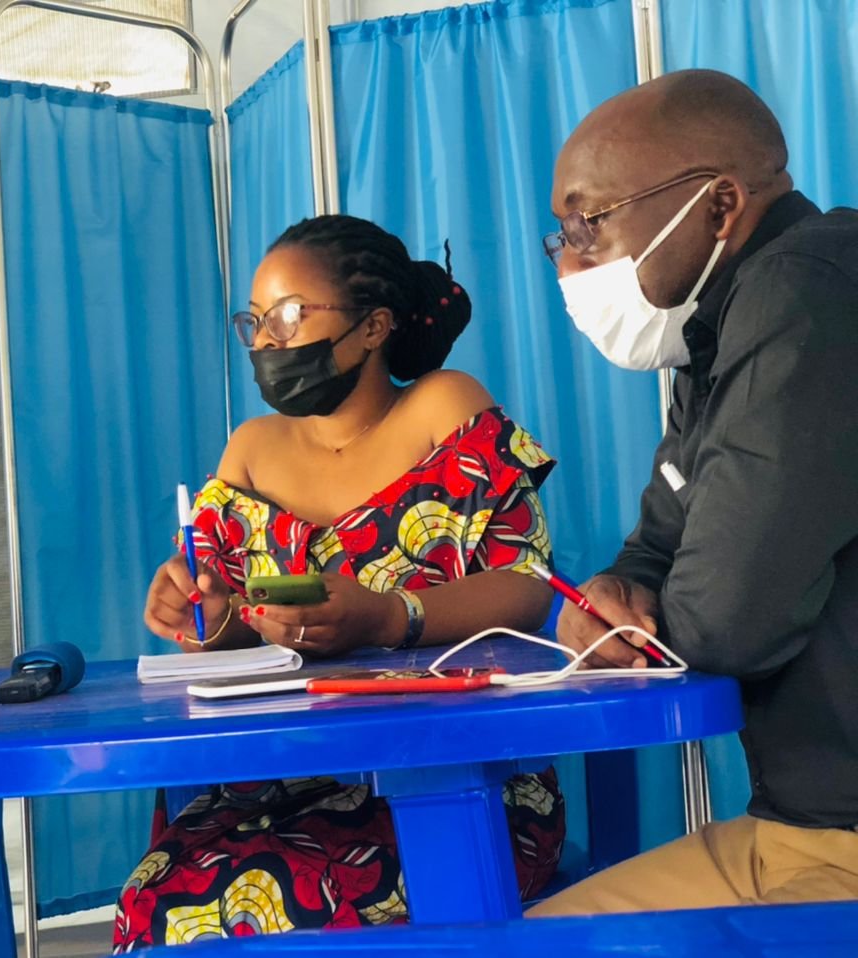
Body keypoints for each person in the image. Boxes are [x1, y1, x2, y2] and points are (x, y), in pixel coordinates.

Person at [113, 215, 565, 950]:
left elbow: (526, 584)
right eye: (254, 322)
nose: (267, 341)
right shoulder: (250, 450)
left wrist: (390, 617)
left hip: (454, 779)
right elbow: (224, 625)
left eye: (289, 316)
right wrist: (200, 614)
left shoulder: (443, 408)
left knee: (282, 907)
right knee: (151, 901)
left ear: (373, 327)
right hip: (280, 785)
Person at [528, 69, 858, 916]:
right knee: (535, 935)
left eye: (587, 221)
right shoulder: (715, 332)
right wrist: (611, 594)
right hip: (793, 828)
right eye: (560, 233)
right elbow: (656, 548)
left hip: (842, 846)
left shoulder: (809, 292)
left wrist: (648, 615)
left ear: (718, 205)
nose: (569, 257)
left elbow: (726, 619)